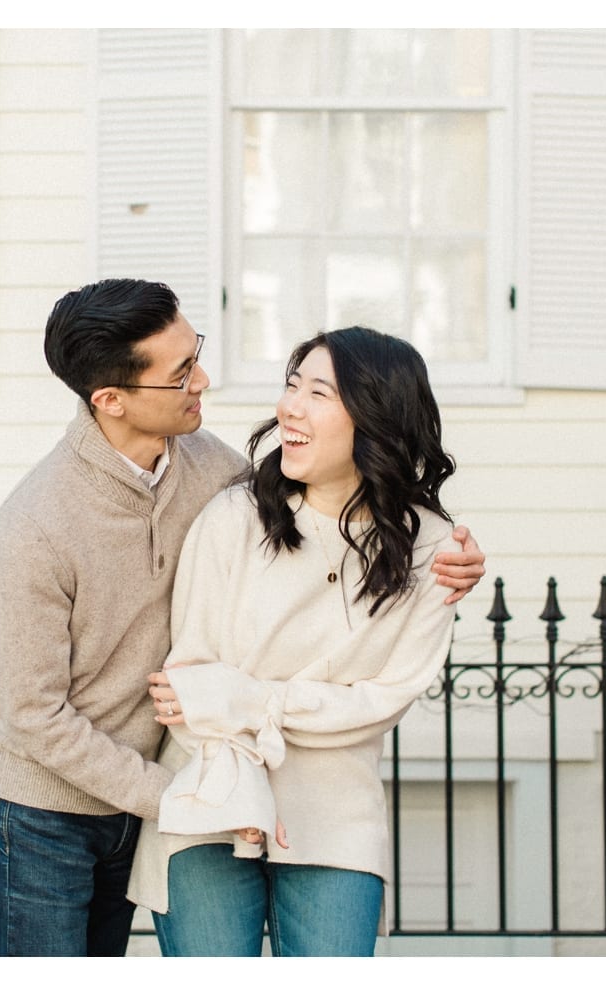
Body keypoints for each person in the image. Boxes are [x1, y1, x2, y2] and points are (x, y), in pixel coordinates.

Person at [0, 280, 486, 956]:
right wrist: (178, 795)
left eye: (196, 354)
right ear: (112, 399)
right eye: (181, 371)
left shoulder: (211, 470)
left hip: (151, 791)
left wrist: (455, 560)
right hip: (45, 811)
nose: (203, 379)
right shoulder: (34, 527)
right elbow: (36, 714)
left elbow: (329, 507)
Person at [128, 326, 461, 957]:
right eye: (290, 385)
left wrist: (248, 701)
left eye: (319, 393)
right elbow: (189, 691)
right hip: (210, 798)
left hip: (337, 816)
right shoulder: (233, 518)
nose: (289, 407)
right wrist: (249, 742)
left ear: (377, 417)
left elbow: (384, 699)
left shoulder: (433, 550)